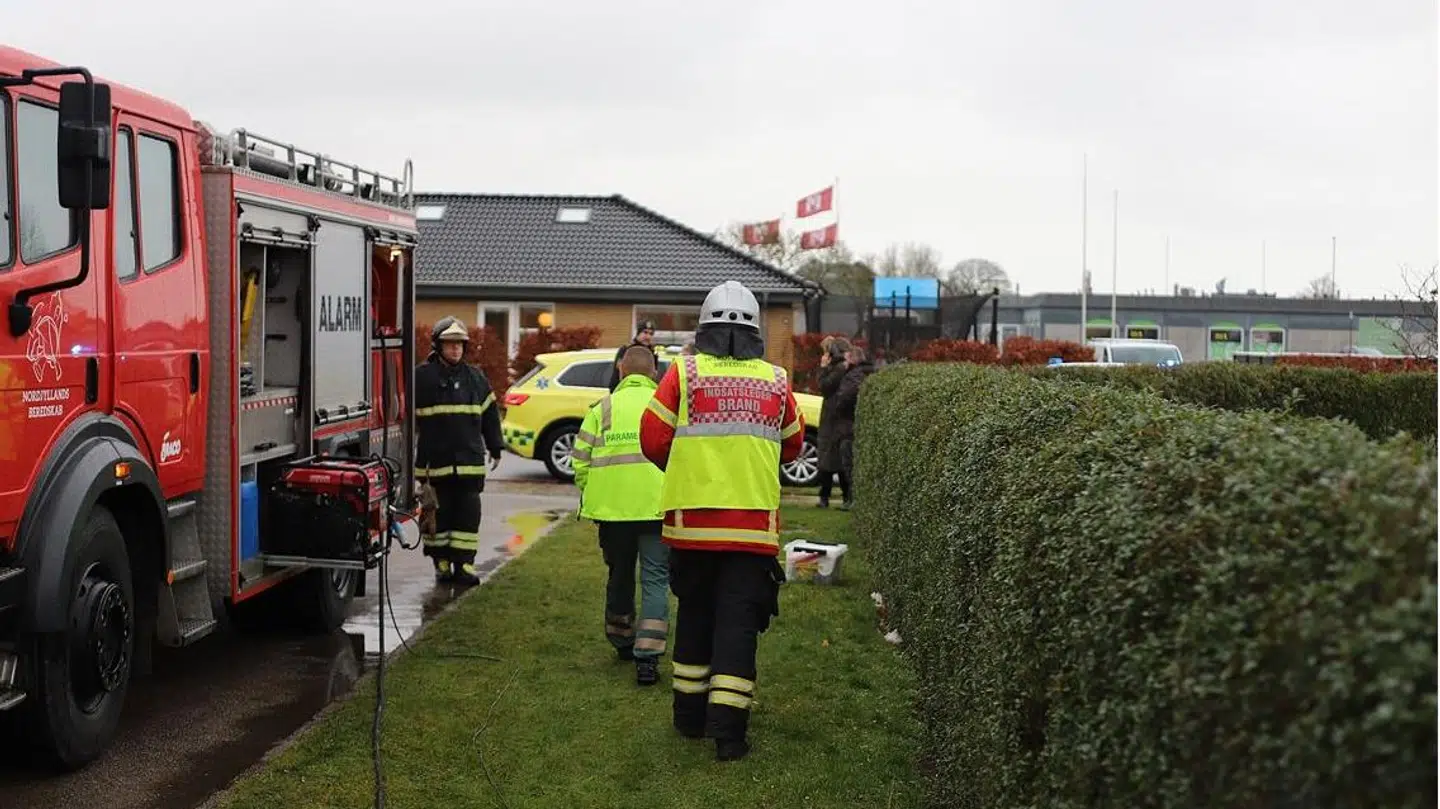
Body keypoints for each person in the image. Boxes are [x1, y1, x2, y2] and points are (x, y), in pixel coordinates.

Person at [639, 280, 805, 762]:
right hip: (751, 532)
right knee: (738, 627)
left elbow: (652, 439)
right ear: (755, 329)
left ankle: (688, 719)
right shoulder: (775, 379)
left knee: (694, 616)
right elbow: (792, 443)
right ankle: (729, 736)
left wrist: (691, 466)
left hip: (691, 529)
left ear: (704, 325)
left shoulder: (683, 374)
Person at [572, 346, 671, 686]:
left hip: (613, 514)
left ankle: (622, 639)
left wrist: (597, 493)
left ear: (620, 371)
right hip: (658, 510)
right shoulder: (665, 406)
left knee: (620, 575)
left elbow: (580, 461)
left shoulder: (602, 408)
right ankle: (649, 657)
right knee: (656, 579)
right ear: (654, 372)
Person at [414, 317, 504, 586]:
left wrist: (496, 446)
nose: (455, 350)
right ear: (438, 346)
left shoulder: (476, 378)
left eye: (459, 345)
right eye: (450, 345)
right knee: (438, 516)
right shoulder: (422, 378)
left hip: (469, 464)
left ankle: (464, 564)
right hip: (435, 464)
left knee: (467, 515)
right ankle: (441, 562)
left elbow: (490, 416)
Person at [830, 344, 876, 510]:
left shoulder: (853, 376)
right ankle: (852, 500)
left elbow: (846, 397)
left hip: (848, 427)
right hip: (857, 426)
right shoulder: (868, 373)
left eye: (848, 358)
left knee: (849, 465)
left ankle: (853, 501)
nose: (845, 361)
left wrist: (838, 405)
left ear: (854, 360)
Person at [815, 336, 852, 508]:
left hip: (832, 418)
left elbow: (824, 386)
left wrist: (823, 369)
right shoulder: (845, 368)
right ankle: (844, 497)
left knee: (829, 459)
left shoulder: (836, 370)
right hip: (837, 418)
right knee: (838, 459)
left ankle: (827, 497)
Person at [608, 319, 659, 390]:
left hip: (645, 392)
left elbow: (653, 377)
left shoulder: (653, 352)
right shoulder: (626, 349)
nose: (648, 337)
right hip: (625, 391)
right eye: (645, 332)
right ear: (638, 333)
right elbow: (617, 375)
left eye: (651, 334)